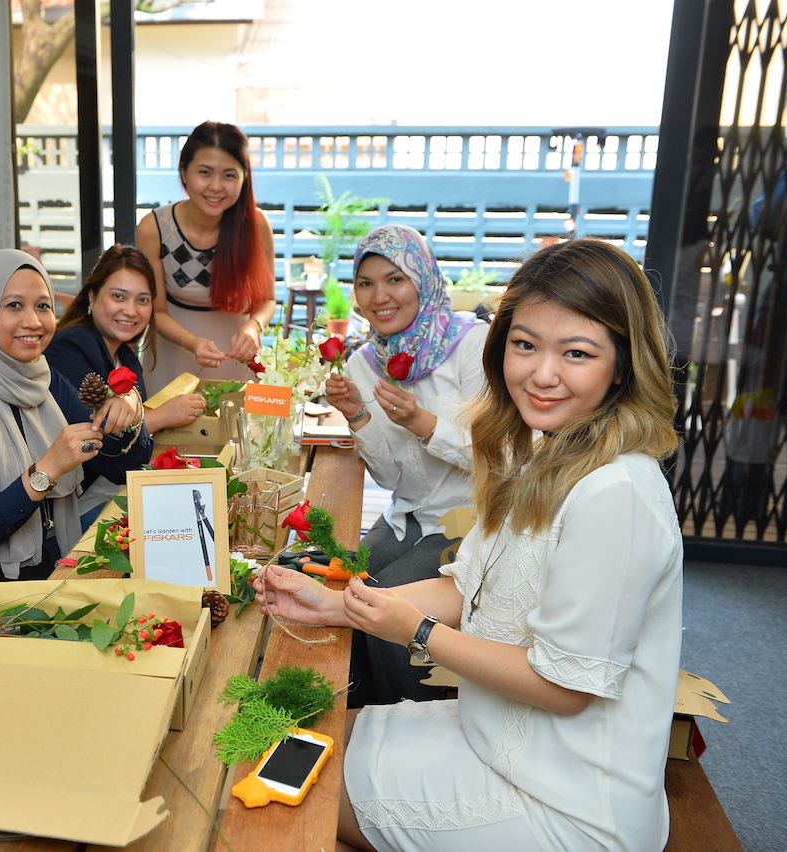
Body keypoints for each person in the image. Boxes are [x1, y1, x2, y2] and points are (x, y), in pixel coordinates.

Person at [257, 238, 683, 852]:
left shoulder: (618, 491)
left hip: (568, 800)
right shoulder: (546, 451)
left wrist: (415, 631)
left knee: (287, 795)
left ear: (623, 362)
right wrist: (337, 607)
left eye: (577, 353)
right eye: (525, 344)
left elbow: (565, 689)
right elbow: (467, 583)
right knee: (294, 746)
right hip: (495, 736)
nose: (542, 373)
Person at [0, 249, 153, 582]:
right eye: (13, 305)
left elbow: (119, 464)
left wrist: (132, 411)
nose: (34, 321)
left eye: (42, 305)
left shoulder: (47, 380)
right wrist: (46, 471)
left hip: (52, 562)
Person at [322, 224, 488, 705]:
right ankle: (356, 718)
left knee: (384, 603)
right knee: (342, 580)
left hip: (474, 517)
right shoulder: (364, 363)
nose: (380, 296)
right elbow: (392, 479)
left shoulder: (473, 345)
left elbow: (497, 458)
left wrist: (422, 421)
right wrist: (356, 414)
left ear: (423, 278)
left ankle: (415, 726)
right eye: (366, 283)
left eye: (395, 279)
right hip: (408, 515)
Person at [45, 244, 207, 522]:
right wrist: (160, 417)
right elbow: (102, 453)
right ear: (92, 297)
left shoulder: (126, 356)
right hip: (70, 505)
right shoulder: (70, 346)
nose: (131, 311)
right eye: (119, 296)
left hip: (108, 488)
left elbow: (135, 455)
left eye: (142, 300)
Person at [136, 120, 276, 388]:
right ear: (184, 172)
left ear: (244, 178)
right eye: (205, 172)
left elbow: (268, 299)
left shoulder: (256, 225)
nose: (216, 186)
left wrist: (253, 327)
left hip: (236, 360)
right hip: (173, 359)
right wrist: (192, 343)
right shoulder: (154, 228)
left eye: (229, 175)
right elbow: (156, 311)